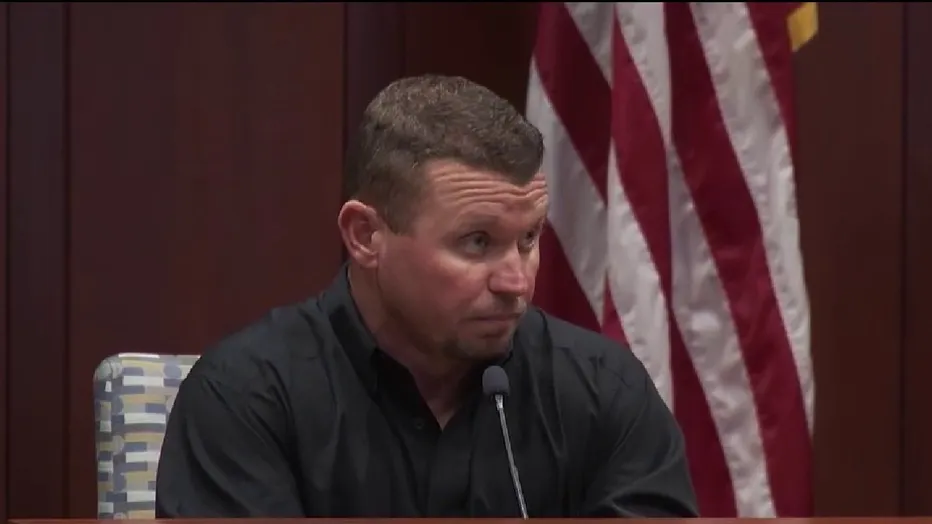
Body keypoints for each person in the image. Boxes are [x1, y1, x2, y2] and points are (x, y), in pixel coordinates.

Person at [154, 74, 699, 518]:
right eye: (477, 242)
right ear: (366, 236)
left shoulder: (603, 389)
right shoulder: (246, 399)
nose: (516, 281)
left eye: (528, 238)